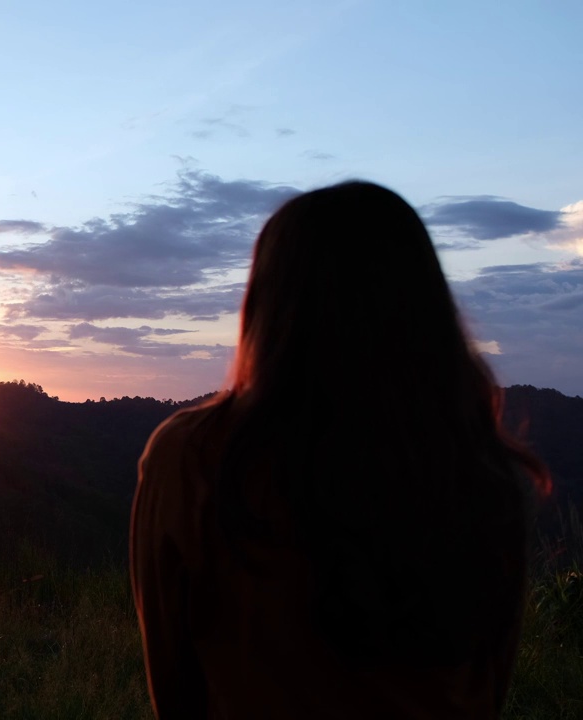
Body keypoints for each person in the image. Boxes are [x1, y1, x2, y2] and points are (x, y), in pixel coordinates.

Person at [129, 181, 550, 719]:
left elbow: (176, 691)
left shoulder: (191, 459)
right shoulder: (480, 472)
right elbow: (488, 690)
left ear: (268, 304)